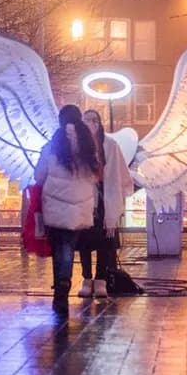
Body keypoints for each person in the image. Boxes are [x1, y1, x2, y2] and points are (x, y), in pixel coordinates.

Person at [33, 104, 101, 315]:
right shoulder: (87, 144)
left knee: (60, 250)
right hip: (80, 207)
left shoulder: (52, 145)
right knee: (69, 248)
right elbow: (95, 175)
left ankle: (61, 289)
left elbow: (39, 176)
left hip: (55, 206)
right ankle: (62, 286)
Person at [77, 109, 134, 299]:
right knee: (84, 242)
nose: (90, 124)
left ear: (100, 122)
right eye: (86, 120)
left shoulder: (110, 145)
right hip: (85, 200)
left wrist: (119, 198)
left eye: (94, 120)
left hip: (104, 201)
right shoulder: (77, 145)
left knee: (104, 242)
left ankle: (100, 280)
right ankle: (86, 279)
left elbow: (120, 173)